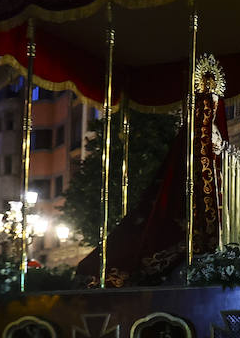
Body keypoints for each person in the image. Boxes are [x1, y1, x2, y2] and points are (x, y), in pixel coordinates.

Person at [76, 57, 229, 286]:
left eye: (214, 101)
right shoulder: (191, 133)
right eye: (206, 101)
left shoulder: (214, 131)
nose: (210, 106)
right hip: (188, 191)